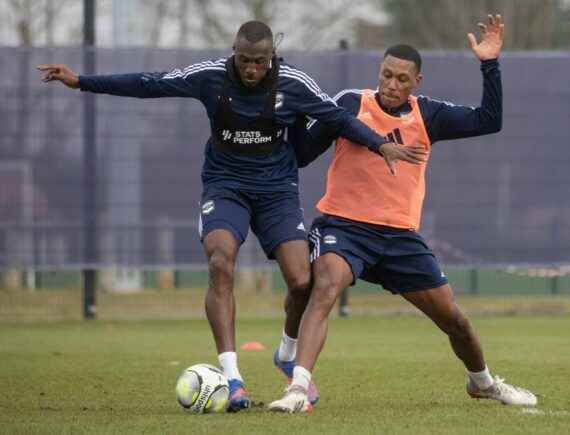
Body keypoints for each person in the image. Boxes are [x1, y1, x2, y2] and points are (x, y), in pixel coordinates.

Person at [38, 20, 423, 412]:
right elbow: (149, 83)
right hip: (226, 186)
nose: (251, 69)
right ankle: (232, 377)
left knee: (302, 280)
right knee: (221, 261)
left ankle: (288, 354)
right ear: (234, 53)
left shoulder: (294, 83)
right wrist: (81, 81)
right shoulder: (210, 77)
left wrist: (381, 146)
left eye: (259, 61)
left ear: (271, 56)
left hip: (277, 192)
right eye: (243, 60)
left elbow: (338, 119)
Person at [268, 15, 537, 414]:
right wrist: (288, 115)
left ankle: (483, 383)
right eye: (386, 75)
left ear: (417, 83)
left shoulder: (427, 115)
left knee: (455, 321)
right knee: (324, 286)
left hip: (399, 238)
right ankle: (298, 386)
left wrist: (489, 63)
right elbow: (304, 155)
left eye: (402, 79)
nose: (392, 85)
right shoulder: (350, 104)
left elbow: (488, 120)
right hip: (344, 226)